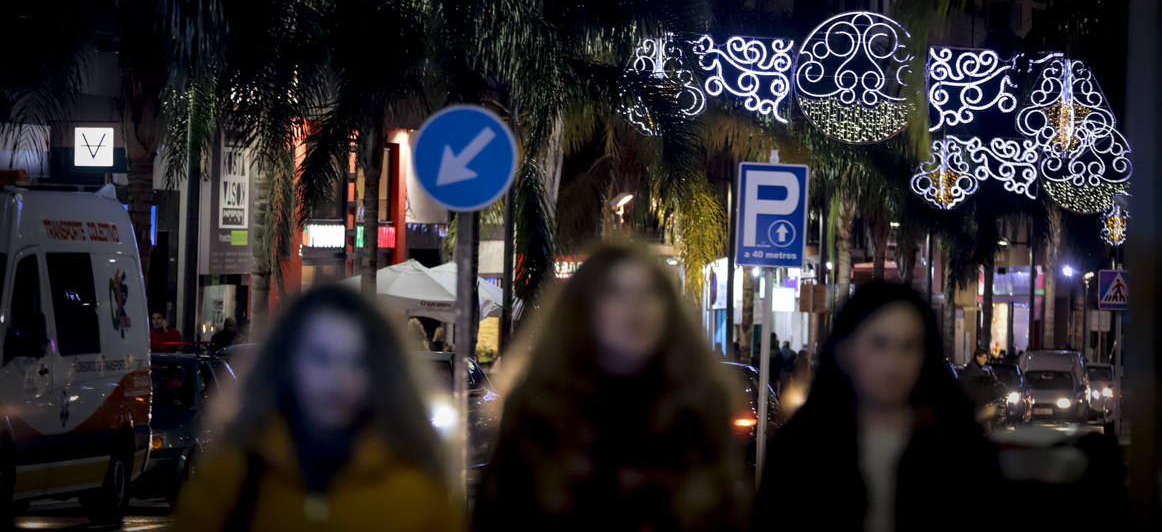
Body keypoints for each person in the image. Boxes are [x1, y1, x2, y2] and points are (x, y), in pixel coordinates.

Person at [476, 243, 749, 532]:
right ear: (584, 309)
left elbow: (727, 511)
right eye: (615, 293)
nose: (635, 308)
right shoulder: (538, 408)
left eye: (648, 293)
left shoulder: (699, 406)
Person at [172, 285, 459, 532]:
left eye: (356, 361)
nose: (338, 379)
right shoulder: (230, 480)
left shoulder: (419, 490)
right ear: (288, 363)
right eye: (321, 358)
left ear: (379, 370)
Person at [754, 282, 1000, 532]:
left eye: (909, 346)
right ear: (846, 351)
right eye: (879, 344)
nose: (894, 364)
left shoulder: (959, 447)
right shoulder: (801, 447)